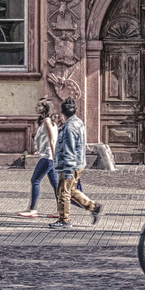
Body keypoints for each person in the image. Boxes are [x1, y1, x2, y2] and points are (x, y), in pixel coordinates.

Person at [49, 98, 103, 230]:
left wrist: (67, 170)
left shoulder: (69, 127)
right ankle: (93, 207)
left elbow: (69, 149)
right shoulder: (78, 122)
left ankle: (64, 220)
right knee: (71, 190)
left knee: (63, 192)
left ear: (62, 113)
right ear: (76, 111)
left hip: (70, 165)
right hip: (78, 163)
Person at [17, 98, 59, 218]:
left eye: (39, 106)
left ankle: (32, 209)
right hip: (48, 156)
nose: (37, 108)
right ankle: (61, 210)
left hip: (48, 157)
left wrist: (54, 157)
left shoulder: (47, 120)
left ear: (46, 108)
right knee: (55, 185)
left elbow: (52, 139)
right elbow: (46, 139)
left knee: (35, 181)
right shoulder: (50, 121)